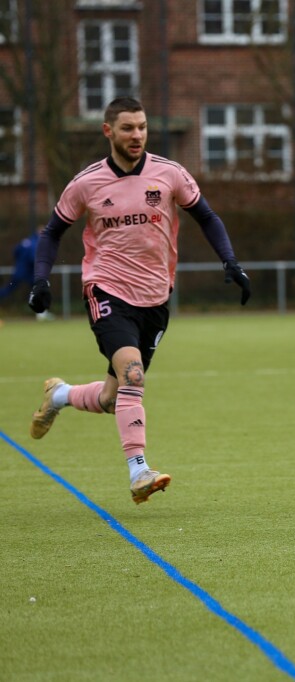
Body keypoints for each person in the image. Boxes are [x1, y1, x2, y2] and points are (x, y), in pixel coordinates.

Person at [27, 96, 251, 505]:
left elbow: (207, 217)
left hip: (156, 297)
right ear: (108, 131)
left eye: (143, 127)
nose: (137, 135)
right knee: (133, 375)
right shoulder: (87, 182)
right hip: (106, 289)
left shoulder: (169, 173)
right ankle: (139, 471)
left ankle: (59, 395)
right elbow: (51, 233)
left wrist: (231, 262)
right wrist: (41, 280)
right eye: (128, 128)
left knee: (115, 397)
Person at [0, 225, 53, 320]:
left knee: (7, 290)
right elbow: (33, 259)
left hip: (18, 271)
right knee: (40, 288)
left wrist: (19, 263)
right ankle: (41, 313)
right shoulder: (36, 243)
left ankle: (41, 313)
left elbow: (15, 252)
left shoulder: (26, 241)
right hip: (27, 273)